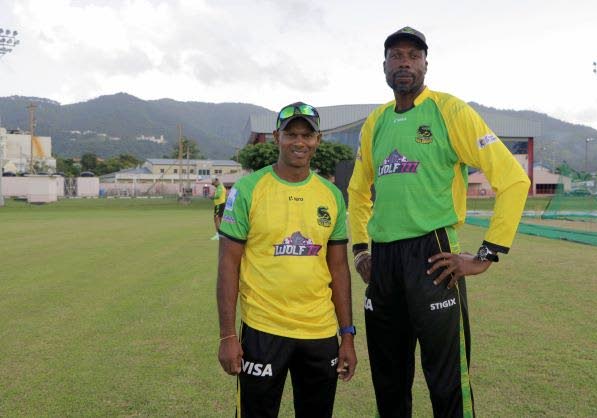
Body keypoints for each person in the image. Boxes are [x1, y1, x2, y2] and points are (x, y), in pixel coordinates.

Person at [348, 27, 530, 417]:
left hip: (433, 255)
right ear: (384, 65)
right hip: (383, 263)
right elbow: (358, 191)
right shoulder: (375, 122)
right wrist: (361, 249)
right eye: (396, 56)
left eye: (413, 56)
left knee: (446, 381)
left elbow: (514, 179)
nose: (405, 63)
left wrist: (486, 254)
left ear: (426, 64)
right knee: (389, 378)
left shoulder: (450, 111)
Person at [216, 102, 357, 418]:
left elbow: (338, 268)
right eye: (291, 134)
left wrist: (347, 335)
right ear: (277, 136)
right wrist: (227, 336)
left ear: (317, 140)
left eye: (307, 135)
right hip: (264, 329)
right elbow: (228, 264)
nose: (299, 142)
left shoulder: (331, 195)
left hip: (320, 333)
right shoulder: (248, 190)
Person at [210, 176, 226, 240]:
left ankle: (218, 235)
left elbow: (218, 196)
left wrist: (212, 197)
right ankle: (221, 234)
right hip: (219, 204)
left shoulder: (220, 187)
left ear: (217, 181)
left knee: (216, 219)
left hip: (219, 204)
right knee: (219, 219)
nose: (213, 185)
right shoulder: (219, 187)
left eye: (214, 183)